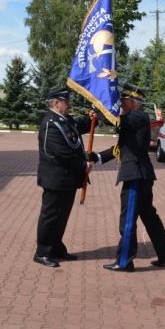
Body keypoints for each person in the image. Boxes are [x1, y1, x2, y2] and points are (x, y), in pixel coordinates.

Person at [89, 86, 165, 272]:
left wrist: (98, 108)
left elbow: (115, 120)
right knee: (149, 217)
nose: (121, 104)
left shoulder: (137, 116)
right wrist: (98, 157)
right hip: (141, 174)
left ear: (134, 102)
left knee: (127, 220)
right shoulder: (134, 119)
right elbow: (122, 148)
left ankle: (124, 261)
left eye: (124, 100)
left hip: (136, 175)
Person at [33, 88, 92, 268]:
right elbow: (61, 153)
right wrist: (83, 165)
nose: (69, 105)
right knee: (50, 216)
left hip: (67, 179)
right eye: (66, 102)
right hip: (55, 178)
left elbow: (78, 129)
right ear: (56, 103)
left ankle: (56, 247)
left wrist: (92, 118)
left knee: (62, 216)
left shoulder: (66, 120)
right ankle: (42, 252)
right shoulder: (50, 124)